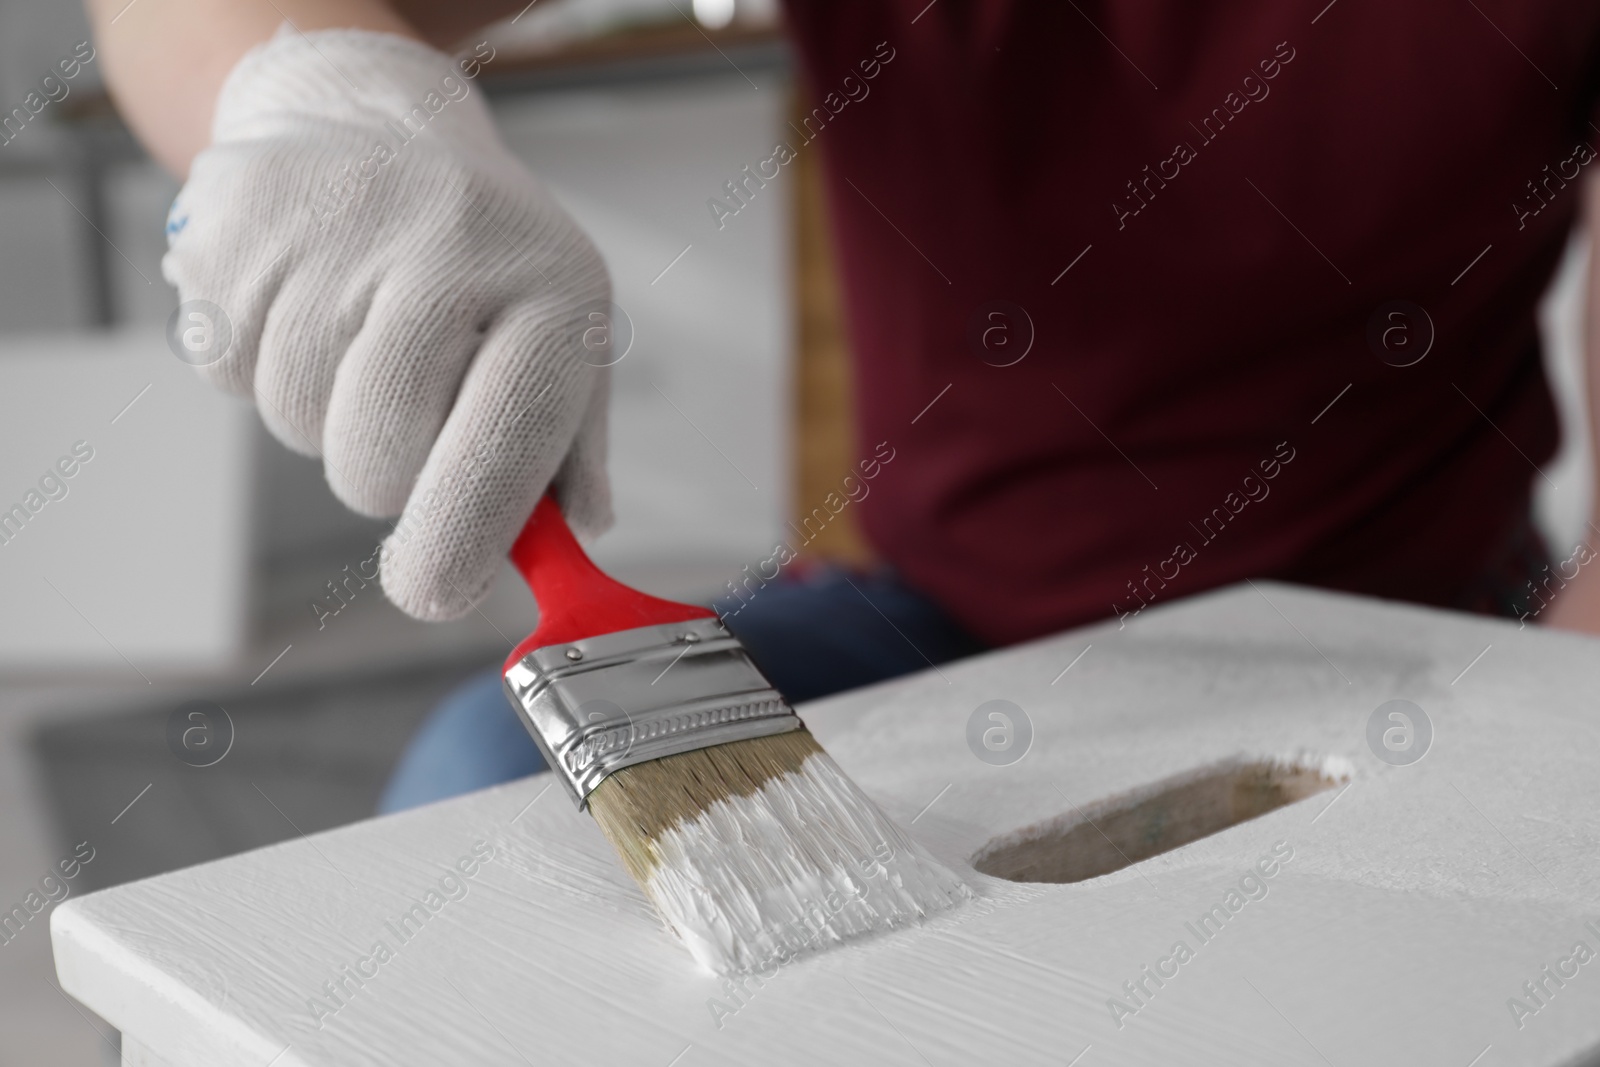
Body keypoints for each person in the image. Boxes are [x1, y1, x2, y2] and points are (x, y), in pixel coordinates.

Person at [88, 0, 1600, 811]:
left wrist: (1525, 755)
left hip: (1437, 626)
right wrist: (317, 99)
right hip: (941, 617)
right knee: (481, 782)